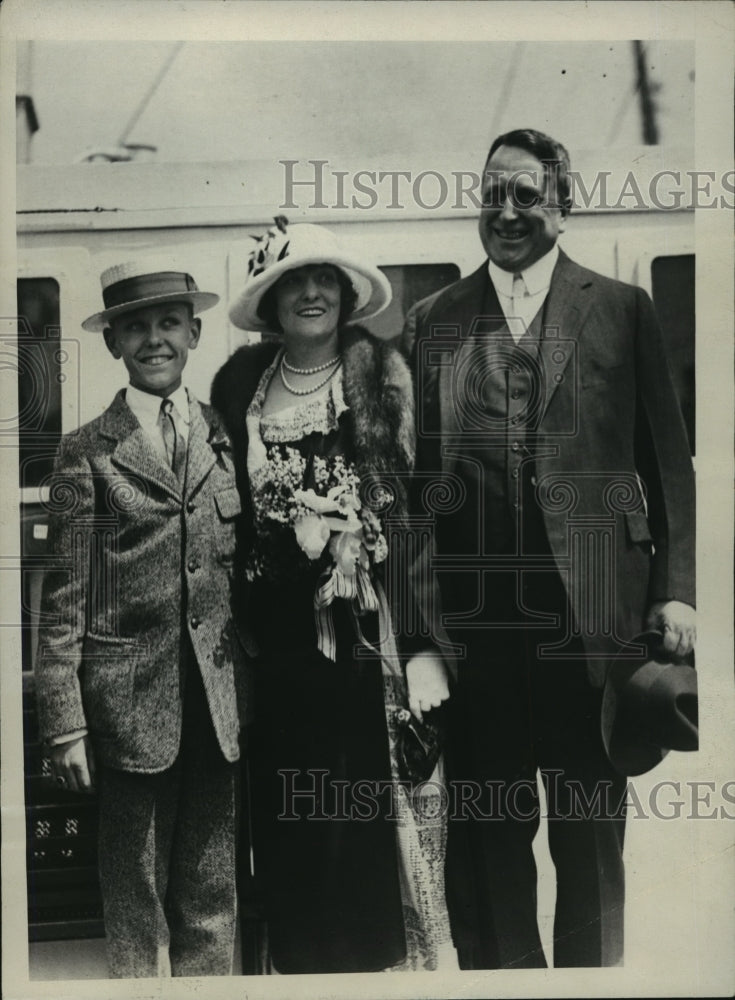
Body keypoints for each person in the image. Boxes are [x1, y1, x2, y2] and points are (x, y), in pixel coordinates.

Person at [402, 128, 696, 968]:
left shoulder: (620, 308)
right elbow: (417, 498)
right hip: (480, 634)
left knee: (590, 839)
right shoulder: (433, 321)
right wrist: (423, 639)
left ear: (563, 206)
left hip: (594, 627)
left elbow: (667, 464)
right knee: (490, 844)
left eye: (526, 195)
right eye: (491, 193)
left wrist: (674, 590)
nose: (505, 212)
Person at [211, 220, 456, 974]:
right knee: (291, 822)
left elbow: (411, 518)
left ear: (345, 295)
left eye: (324, 281)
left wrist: (419, 648)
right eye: (294, 281)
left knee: (368, 824)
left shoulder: (379, 373)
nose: (310, 293)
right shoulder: (237, 384)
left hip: (363, 638)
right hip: (277, 648)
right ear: (272, 299)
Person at [35, 259, 254, 978]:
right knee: (133, 889)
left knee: (211, 887)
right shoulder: (86, 451)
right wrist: (64, 720)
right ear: (112, 344)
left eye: (168, 324)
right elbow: (66, 594)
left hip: (217, 702)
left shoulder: (224, 433)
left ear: (193, 332)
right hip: (126, 709)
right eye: (135, 327)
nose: (153, 340)